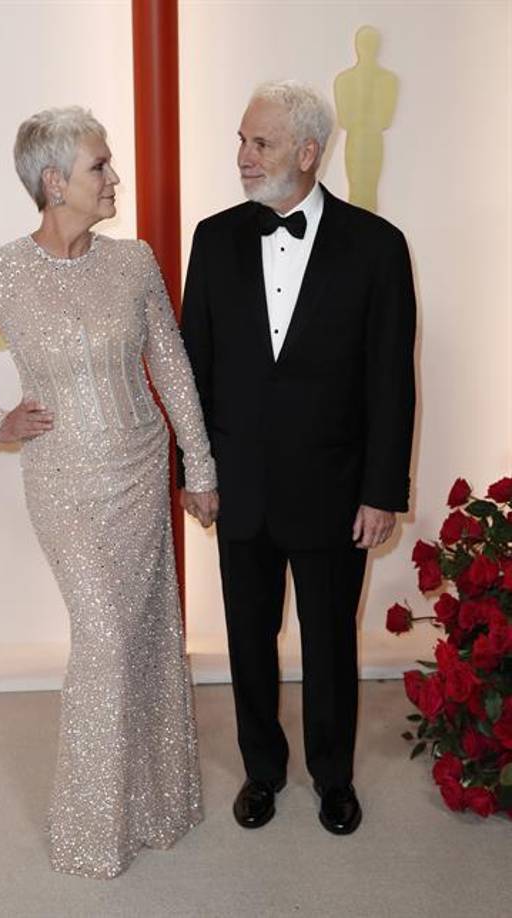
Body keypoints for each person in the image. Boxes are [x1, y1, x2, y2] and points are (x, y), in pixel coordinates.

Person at [0, 105, 218, 878]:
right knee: (105, 636)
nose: (114, 178)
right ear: (54, 183)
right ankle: (90, 831)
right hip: (64, 483)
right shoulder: (3, 271)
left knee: (146, 634)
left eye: (108, 165)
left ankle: (156, 806)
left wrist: (200, 467)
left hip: (141, 469)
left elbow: (171, 366)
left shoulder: (135, 261)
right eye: (99, 167)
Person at [179, 81, 415, 835]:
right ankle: (262, 770)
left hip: (335, 490)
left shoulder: (378, 246)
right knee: (248, 641)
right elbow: (195, 365)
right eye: (242, 141)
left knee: (331, 644)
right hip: (239, 486)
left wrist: (383, 491)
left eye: (261, 143)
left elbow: (390, 379)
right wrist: (196, 471)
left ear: (309, 153)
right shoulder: (212, 239)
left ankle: (334, 776)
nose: (242, 157)